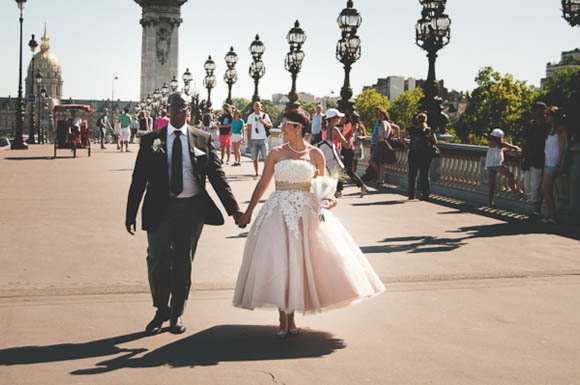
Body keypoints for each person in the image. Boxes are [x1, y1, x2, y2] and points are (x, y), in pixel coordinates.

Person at [233, 108, 385, 338]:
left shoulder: (315, 154)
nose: (281, 128)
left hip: (307, 211)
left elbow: (322, 187)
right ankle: (283, 316)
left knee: (301, 264)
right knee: (281, 262)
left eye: (285, 124)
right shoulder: (275, 153)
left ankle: (292, 316)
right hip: (278, 211)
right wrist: (249, 212)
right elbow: (263, 183)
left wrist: (329, 201)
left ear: (298, 127)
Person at [126, 93, 244, 335]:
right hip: (160, 208)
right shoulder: (151, 140)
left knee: (183, 261)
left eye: (184, 107)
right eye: (176, 107)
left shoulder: (203, 139)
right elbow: (139, 179)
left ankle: (176, 313)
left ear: (189, 110)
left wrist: (234, 210)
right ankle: (161, 309)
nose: (181, 111)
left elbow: (217, 177)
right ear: (167, 110)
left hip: (191, 210)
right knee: (156, 257)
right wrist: (130, 214)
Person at [328, 109, 368, 197]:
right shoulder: (337, 128)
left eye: (341, 117)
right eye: (338, 117)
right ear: (332, 119)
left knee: (344, 171)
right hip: (336, 153)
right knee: (344, 171)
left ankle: (339, 190)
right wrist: (350, 135)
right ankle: (360, 186)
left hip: (336, 152)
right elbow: (345, 142)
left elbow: (344, 142)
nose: (340, 119)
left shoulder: (327, 128)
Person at [400, 112, 438, 200]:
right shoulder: (429, 130)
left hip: (413, 153)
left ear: (416, 120)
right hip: (426, 155)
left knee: (412, 175)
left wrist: (406, 145)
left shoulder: (411, 129)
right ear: (426, 120)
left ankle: (411, 194)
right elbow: (435, 141)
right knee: (424, 175)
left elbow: (401, 136)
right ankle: (425, 194)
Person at [521, 101, 549, 220]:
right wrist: (522, 156)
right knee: (527, 186)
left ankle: (537, 212)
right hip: (529, 159)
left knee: (535, 186)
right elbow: (525, 142)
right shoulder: (530, 125)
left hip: (540, 159)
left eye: (535, 110)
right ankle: (535, 209)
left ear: (543, 112)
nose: (533, 113)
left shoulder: (547, 127)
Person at [540, 107, 568, 224]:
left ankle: (553, 215)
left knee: (544, 189)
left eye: (548, 115)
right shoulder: (551, 129)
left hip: (554, 163)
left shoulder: (561, 130)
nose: (546, 117)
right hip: (548, 162)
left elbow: (562, 149)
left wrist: (558, 163)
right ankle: (550, 215)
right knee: (548, 190)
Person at [483, 128, 522, 208]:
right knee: (510, 175)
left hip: (489, 165)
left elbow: (499, 150)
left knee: (492, 186)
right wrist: (515, 147)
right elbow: (508, 146)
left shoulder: (491, 143)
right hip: (497, 165)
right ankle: (515, 193)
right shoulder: (500, 143)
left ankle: (491, 203)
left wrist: (506, 149)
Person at [368, 107, 396, 186]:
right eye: (378, 115)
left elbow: (384, 130)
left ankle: (380, 178)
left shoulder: (383, 122)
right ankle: (380, 178)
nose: (379, 116)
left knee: (373, 161)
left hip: (380, 143)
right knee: (380, 162)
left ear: (384, 116)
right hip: (382, 143)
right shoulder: (384, 122)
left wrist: (380, 137)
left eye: (381, 115)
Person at [246, 101, 273, 178]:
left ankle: (265, 173)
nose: (257, 107)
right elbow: (248, 129)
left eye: (258, 106)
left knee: (266, 158)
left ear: (261, 107)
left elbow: (271, 125)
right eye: (256, 106)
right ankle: (257, 173)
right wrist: (248, 141)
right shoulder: (250, 117)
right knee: (255, 158)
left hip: (263, 139)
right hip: (254, 140)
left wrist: (264, 122)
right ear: (253, 107)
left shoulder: (265, 115)